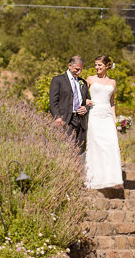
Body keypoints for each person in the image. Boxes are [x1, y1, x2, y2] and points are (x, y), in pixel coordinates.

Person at [84, 55, 123, 189]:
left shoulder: (113, 83)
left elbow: (112, 103)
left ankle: (112, 179)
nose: (97, 67)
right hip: (94, 114)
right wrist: (85, 101)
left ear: (107, 66)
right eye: (95, 65)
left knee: (111, 145)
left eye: (99, 65)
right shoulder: (90, 79)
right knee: (96, 145)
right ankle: (94, 178)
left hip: (107, 116)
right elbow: (81, 94)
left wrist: (115, 121)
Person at [49, 56, 92, 151]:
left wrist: (85, 108)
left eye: (81, 70)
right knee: (66, 149)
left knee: (79, 151)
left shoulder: (83, 82)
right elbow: (53, 101)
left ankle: (78, 166)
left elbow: (88, 101)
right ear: (69, 66)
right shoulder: (58, 80)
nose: (79, 72)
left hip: (80, 121)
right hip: (65, 120)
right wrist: (57, 117)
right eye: (77, 69)